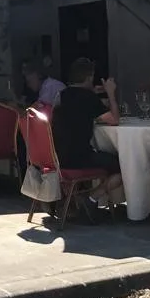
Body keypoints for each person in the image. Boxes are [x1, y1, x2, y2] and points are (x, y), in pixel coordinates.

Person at [51, 58, 123, 216]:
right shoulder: (88, 98)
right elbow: (115, 119)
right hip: (79, 157)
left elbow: (76, 108)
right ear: (89, 77)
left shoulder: (62, 95)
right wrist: (111, 93)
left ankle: (80, 199)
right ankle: (91, 197)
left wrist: (93, 93)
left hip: (58, 157)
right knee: (125, 167)